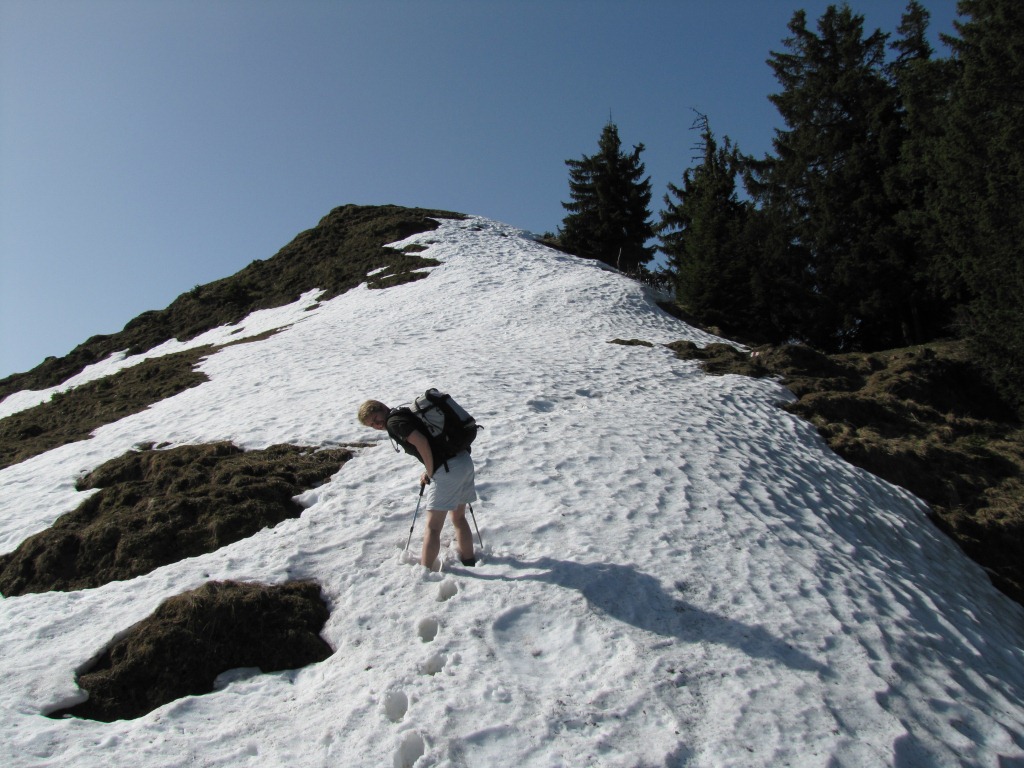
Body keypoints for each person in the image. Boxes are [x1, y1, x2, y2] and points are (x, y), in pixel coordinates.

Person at [358, 398, 478, 569]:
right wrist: (429, 469)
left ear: (383, 408)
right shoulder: (404, 414)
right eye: (372, 425)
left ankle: (425, 571)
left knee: (433, 527)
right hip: (463, 461)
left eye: (376, 419)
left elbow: (422, 442)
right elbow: (434, 442)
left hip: (448, 469)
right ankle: (469, 561)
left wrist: (431, 471)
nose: (377, 425)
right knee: (458, 517)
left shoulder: (394, 423)